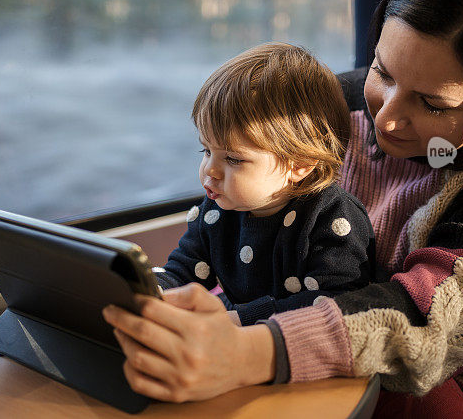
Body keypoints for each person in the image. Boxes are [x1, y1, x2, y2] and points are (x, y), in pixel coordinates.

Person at [102, 0, 463, 417]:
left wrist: (246, 349)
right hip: (283, 340)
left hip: (447, 386)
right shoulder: (331, 104)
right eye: (382, 72)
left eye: (431, 104)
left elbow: (436, 312)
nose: (385, 121)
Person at [153, 42, 375, 326]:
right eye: (206, 151)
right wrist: (151, 290)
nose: (210, 170)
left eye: (233, 159)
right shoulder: (217, 209)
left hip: (295, 341)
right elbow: (184, 269)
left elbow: (335, 302)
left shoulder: (332, 217)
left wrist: (237, 320)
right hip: (235, 326)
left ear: (299, 165)